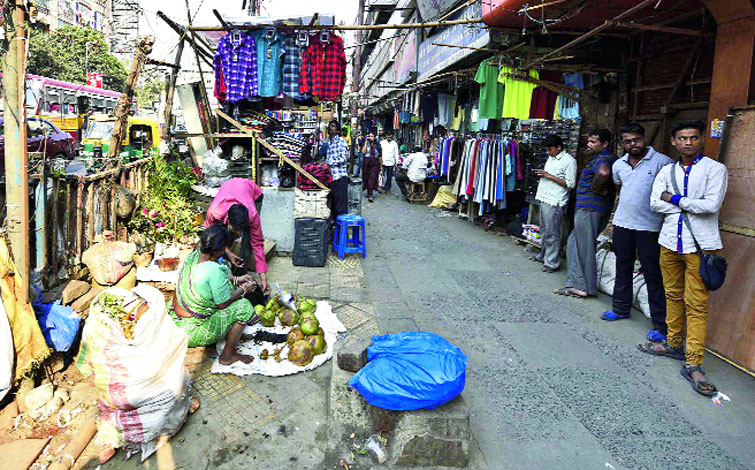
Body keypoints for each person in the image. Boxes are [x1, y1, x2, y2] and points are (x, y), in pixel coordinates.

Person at [639, 120, 728, 396]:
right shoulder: (667, 170)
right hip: (668, 242)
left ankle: (694, 362)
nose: (687, 142)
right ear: (674, 142)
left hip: (699, 246)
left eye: (693, 137)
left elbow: (711, 205)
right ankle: (674, 343)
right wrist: (687, 203)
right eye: (682, 138)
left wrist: (674, 200)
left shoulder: (715, 169)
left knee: (697, 304)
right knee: (673, 295)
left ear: (701, 140)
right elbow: (654, 202)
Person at [601, 123, 673, 343]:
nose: (633, 144)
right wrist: (612, 222)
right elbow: (621, 191)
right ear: (622, 143)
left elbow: (669, 193)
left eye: (637, 140)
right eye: (628, 141)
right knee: (623, 267)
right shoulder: (619, 165)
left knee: (653, 274)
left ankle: (661, 325)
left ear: (644, 139)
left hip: (650, 228)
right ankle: (621, 308)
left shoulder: (663, 162)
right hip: (623, 225)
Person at [170, 225, 258, 365]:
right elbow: (222, 303)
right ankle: (227, 356)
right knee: (244, 307)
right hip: (193, 331)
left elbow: (211, 279)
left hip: (177, 323)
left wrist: (235, 280)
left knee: (223, 285)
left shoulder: (193, 256)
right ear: (222, 249)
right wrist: (243, 289)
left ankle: (231, 335)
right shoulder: (214, 270)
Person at [556, 129, 617, 297]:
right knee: (575, 243)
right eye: (588, 141)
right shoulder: (604, 158)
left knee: (584, 247)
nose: (589, 145)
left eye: (594, 142)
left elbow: (603, 172)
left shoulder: (603, 159)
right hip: (592, 208)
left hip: (589, 208)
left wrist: (596, 188)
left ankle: (582, 286)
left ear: (604, 144)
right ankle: (579, 284)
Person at [205, 178, 268, 292]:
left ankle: (240, 277)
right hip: (229, 188)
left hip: (252, 191)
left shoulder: (252, 215)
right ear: (228, 219)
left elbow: (258, 244)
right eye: (236, 229)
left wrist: (263, 280)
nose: (239, 233)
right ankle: (225, 273)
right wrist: (229, 253)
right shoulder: (214, 212)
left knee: (248, 242)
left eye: (241, 229)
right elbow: (211, 236)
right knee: (220, 237)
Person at [531, 134, 577, 273]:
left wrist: (548, 176)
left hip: (555, 201)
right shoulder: (551, 158)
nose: (547, 152)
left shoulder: (569, 161)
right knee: (545, 230)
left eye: (550, 149)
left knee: (552, 233)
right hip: (544, 198)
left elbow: (570, 184)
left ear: (559, 148)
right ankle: (544, 255)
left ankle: (552, 263)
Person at [326, 120, 350, 220]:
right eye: (329, 126)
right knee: (334, 207)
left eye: (333, 126)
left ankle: (342, 232)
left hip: (339, 178)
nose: (330, 128)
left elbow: (343, 158)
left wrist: (329, 162)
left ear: (338, 131)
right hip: (333, 178)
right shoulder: (329, 143)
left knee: (340, 207)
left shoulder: (341, 141)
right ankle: (336, 231)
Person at [361, 131, 382, 202]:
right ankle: (368, 190)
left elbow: (380, 155)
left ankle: (370, 195)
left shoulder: (377, 145)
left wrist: (381, 165)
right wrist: (366, 143)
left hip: (375, 163)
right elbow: (363, 152)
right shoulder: (366, 143)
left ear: (374, 137)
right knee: (366, 178)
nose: (370, 137)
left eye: (372, 136)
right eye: (369, 136)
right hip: (367, 163)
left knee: (372, 178)